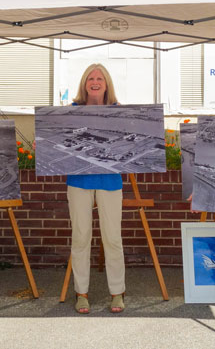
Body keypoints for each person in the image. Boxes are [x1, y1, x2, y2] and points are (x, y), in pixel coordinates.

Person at [66, 63, 126, 314]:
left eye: (99, 78)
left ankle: (117, 293)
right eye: (90, 77)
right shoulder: (70, 111)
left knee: (112, 238)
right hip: (79, 181)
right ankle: (81, 293)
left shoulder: (119, 112)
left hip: (110, 181)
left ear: (106, 83)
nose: (95, 81)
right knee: (81, 237)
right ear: (84, 83)